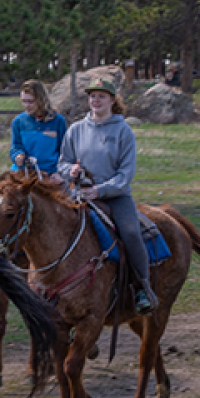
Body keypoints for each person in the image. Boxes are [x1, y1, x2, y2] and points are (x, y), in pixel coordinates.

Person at [57, 77, 157, 314]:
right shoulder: (76, 129)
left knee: (131, 233)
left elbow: (125, 174)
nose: (96, 100)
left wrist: (100, 190)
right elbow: (62, 163)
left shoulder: (123, 131)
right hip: (79, 195)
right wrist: (70, 171)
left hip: (115, 197)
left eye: (101, 96)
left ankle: (143, 287)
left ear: (112, 100)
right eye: (92, 96)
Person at [9, 79, 68, 180]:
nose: (26, 105)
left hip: (50, 173)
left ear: (41, 100)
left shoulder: (58, 121)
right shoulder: (18, 122)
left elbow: (64, 151)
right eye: (24, 101)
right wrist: (18, 156)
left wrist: (58, 171)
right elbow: (16, 146)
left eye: (30, 102)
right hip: (24, 172)